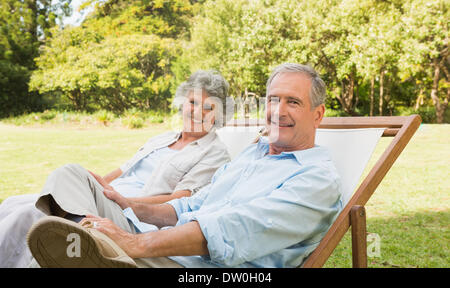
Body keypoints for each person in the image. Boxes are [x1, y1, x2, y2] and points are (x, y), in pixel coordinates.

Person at [28, 63, 343, 268]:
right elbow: (190, 205)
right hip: (157, 245)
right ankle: (89, 243)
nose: (278, 111)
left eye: (293, 102)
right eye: (273, 99)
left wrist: (134, 243)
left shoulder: (316, 180)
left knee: (57, 251)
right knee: (71, 176)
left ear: (318, 114)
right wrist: (130, 205)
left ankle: (90, 248)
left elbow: (233, 231)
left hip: (195, 268)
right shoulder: (253, 155)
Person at [0, 70, 232, 267]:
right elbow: (123, 170)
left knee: (33, 213)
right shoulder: (162, 138)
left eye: (209, 107)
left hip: (130, 213)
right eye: (193, 102)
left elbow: (180, 199)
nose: (198, 112)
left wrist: (123, 200)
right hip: (106, 197)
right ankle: (80, 225)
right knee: (14, 204)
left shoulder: (214, 152)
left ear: (219, 116)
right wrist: (92, 182)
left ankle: (83, 230)